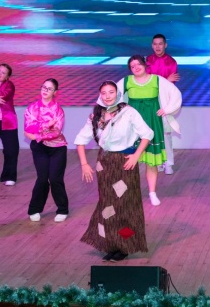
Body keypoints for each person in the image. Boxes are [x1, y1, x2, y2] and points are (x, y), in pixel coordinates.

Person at [74, 81, 153, 262]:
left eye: (111, 92)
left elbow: (147, 134)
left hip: (124, 163)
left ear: (117, 94)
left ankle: (125, 245)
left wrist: (136, 156)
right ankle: (111, 243)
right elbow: (80, 140)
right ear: (100, 95)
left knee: (124, 205)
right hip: (104, 164)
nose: (108, 96)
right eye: (104, 93)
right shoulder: (96, 116)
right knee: (107, 205)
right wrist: (84, 164)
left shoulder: (129, 112)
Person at [116, 55, 179, 205]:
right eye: (132, 66)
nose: (136, 67)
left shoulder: (157, 80)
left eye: (138, 64)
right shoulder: (126, 81)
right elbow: (111, 95)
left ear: (145, 65)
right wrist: (118, 111)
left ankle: (152, 193)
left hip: (152, 121)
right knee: (129, 159)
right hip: (133, 123)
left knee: (151, 162)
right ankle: (127, 193)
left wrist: (167, 109)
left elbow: (175, 93)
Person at [24, 79, 69, 223]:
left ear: (55, 92)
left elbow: (56, 131)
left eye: (49, 89)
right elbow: (28, 127)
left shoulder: (58, 110)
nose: (45, 90)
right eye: (44, 87)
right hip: (40, 148)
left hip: (57, 148)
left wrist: (37, 134)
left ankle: (62, 209)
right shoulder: (32, 108)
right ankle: (34, 209)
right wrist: (46, 124)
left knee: (55, 179)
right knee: (42, 179)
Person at [145, 34, 181, 175]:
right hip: (150, 101)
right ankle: (157, 162)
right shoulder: (147, 61)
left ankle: (169, 163)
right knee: (153, 133)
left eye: (160, 44)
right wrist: (166, 79)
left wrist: (166, 81)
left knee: (166, 133)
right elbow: (147, 82)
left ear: (165, 45)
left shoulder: (171, 62)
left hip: (165, 103)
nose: (158, 46)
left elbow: (170, 87)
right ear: (152, 45)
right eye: (155, 44)